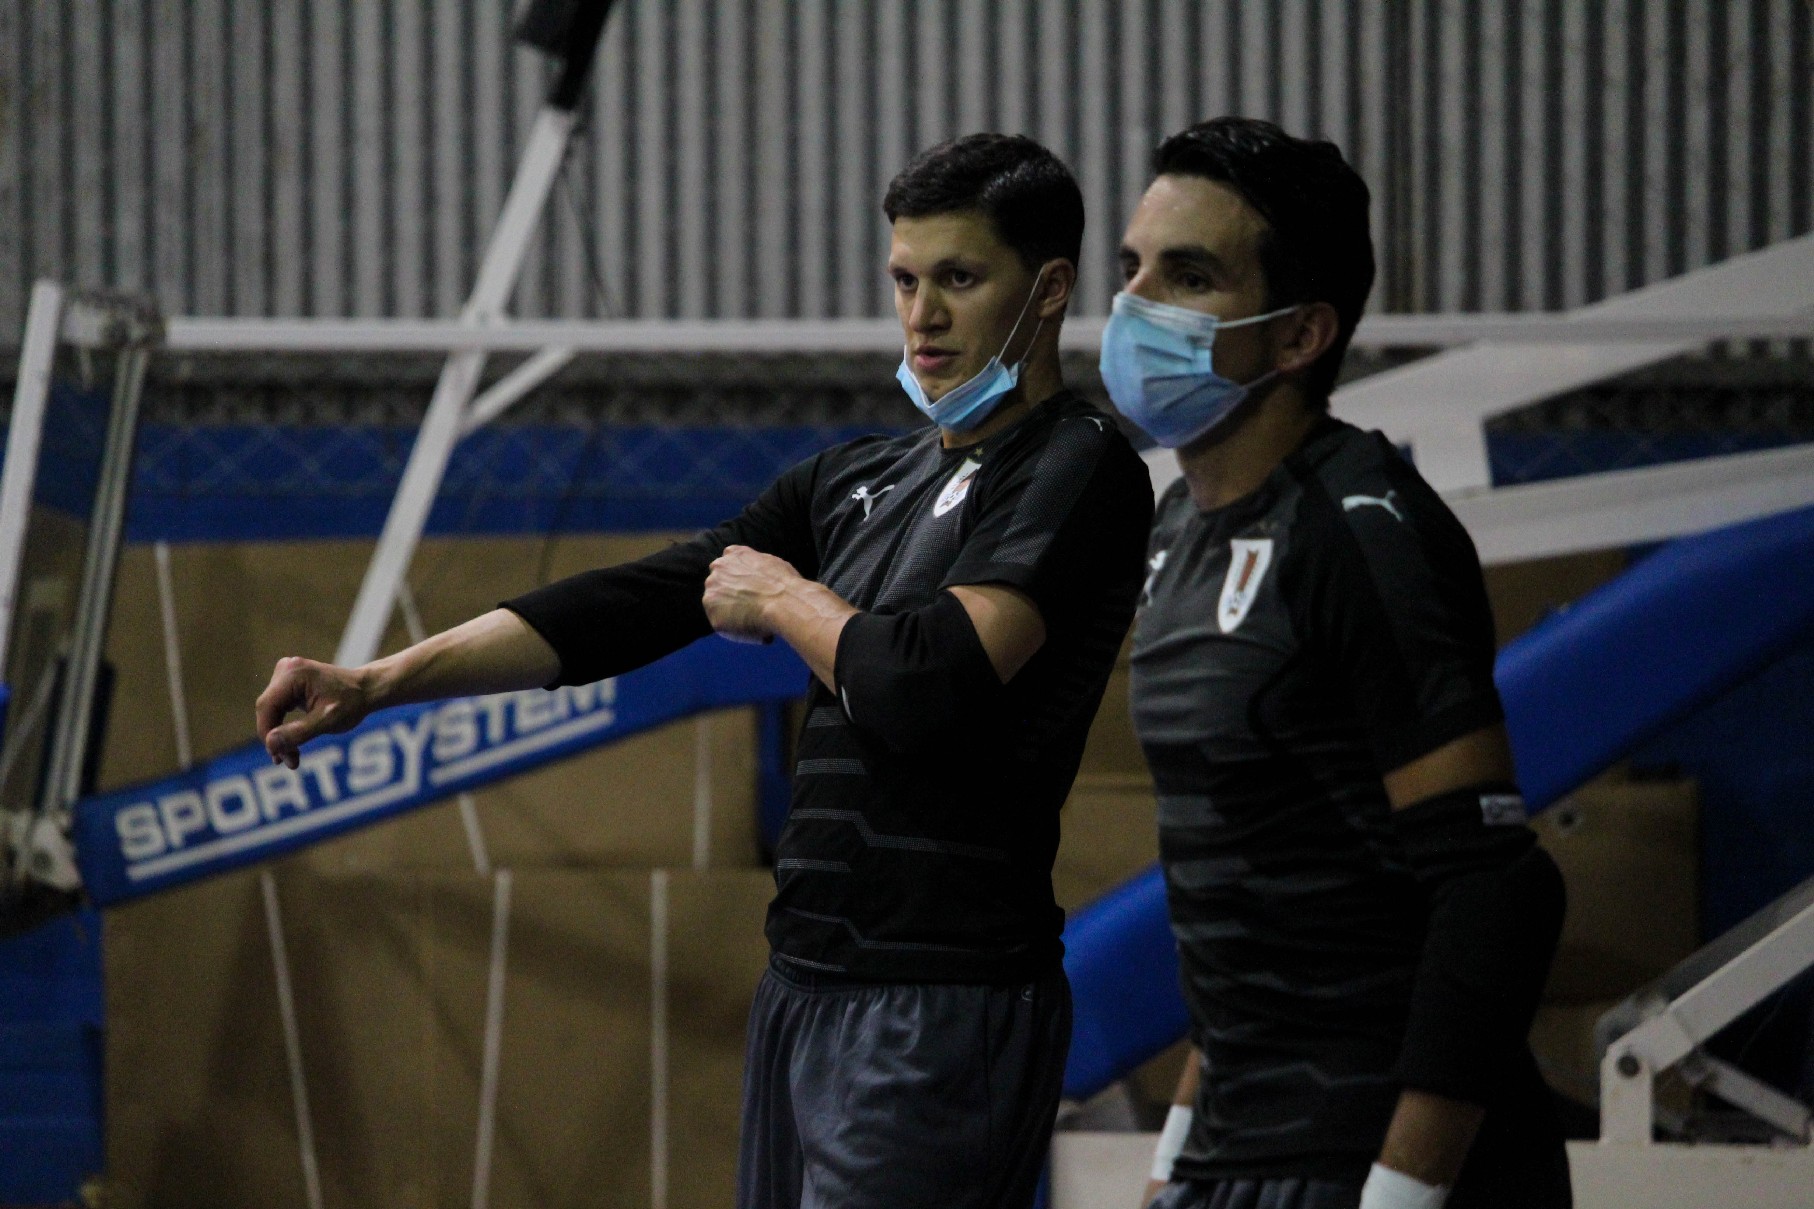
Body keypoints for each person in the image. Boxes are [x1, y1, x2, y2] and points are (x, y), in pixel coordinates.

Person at [256, 133, 1154, 1209]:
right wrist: (379, 679)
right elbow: (633, 603)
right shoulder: (861, 478)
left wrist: (782, 598)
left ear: (1047, 289)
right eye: (905, 281)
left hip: (938, 1000)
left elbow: (924, 681)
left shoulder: (1077, 463)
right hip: (804, 989)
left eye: (959, 280)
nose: (921, 317)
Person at [1103, 118, 1570, 1209]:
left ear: (1298, 334)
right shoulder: (1176, 528)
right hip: (1241, 1155)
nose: (1134, 307)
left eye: (1189, 276)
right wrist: (1177, 1156)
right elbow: (1254, 894)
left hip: (1369, 1161)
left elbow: (1495, 892)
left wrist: (1400, 1196)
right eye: (1132, 268)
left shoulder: (1362, 532)